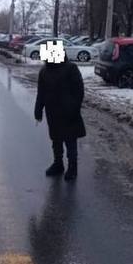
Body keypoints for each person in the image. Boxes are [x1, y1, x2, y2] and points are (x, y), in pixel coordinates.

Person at [34, 49, 86, 181]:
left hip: (69, 112)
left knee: (70, 141)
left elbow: (79, 90)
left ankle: (72, 168)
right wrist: (38, 110)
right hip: (52, 112)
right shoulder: (44, 71)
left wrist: (74, 107)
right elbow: (41, 93)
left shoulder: (70, 68)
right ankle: (58, 164)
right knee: (56, 140)